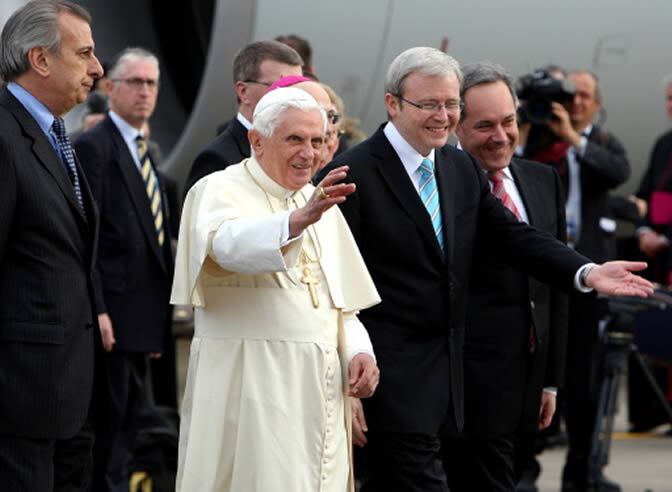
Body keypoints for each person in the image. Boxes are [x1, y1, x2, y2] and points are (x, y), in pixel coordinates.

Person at [322, 47, 651, 492]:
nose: (443, 115)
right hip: (389, 384)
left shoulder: (457, 167)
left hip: (455, 391)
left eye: (451, 104)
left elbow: (515, 236)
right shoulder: (352, 172)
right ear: (392, 103)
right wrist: (345, 382)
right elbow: (332, 285)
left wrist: (586, 272)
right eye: (429, 104)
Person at [171, 87, 381, 491]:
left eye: (317, 141)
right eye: (295, 139)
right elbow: (225, 246)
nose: (309, 153)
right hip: (253, 388)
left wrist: (360, 351)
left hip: (320, 395)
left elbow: (341, 303)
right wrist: (294, 223)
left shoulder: (314, 199)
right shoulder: (217, 189)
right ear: (257, 141)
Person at [440, 62, 568, 492]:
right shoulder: (439, 185)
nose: (501, 136)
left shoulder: (542, 179)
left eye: (509, 121)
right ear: (455, 126)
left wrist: (550, 379)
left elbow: (552, 287)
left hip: (527, 386)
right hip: (464, 394)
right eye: (485, 125)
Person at [0, 1, 103, 490]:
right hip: (18, 401)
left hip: (68, 394)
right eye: (84, 53)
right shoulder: (4, 137)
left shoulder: (57, 137)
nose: (97, 69)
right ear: (40, 59)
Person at [520, 70, 630, 492]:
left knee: (585, 382)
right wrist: (534, 127)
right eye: (571, 97)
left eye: (584, 97)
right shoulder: (540, 144)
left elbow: (617, 172)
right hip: (545, 274)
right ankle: (524, 470)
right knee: (536, 371)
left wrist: (574, 136)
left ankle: (581, 475)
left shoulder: (598, 144)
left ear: (597, 103)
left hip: (592, 275)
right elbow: (511, 164)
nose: (576, 104)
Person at [74, 47, 176, 491]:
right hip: (110, 319)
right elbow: (87, 237)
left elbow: (155, 240)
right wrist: (97, 306)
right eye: (135, 82)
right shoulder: (94, 147)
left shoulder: (143, 151)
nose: (145, 92)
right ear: (110, 87)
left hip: (142, 321)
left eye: (152, 83)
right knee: (107, 434)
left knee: (130, 433)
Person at [184, 40, 303, 192]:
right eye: (281, 88)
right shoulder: (217, 159)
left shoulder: (300, 153)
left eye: (298, 88)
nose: (293, 99)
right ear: (243, 92)